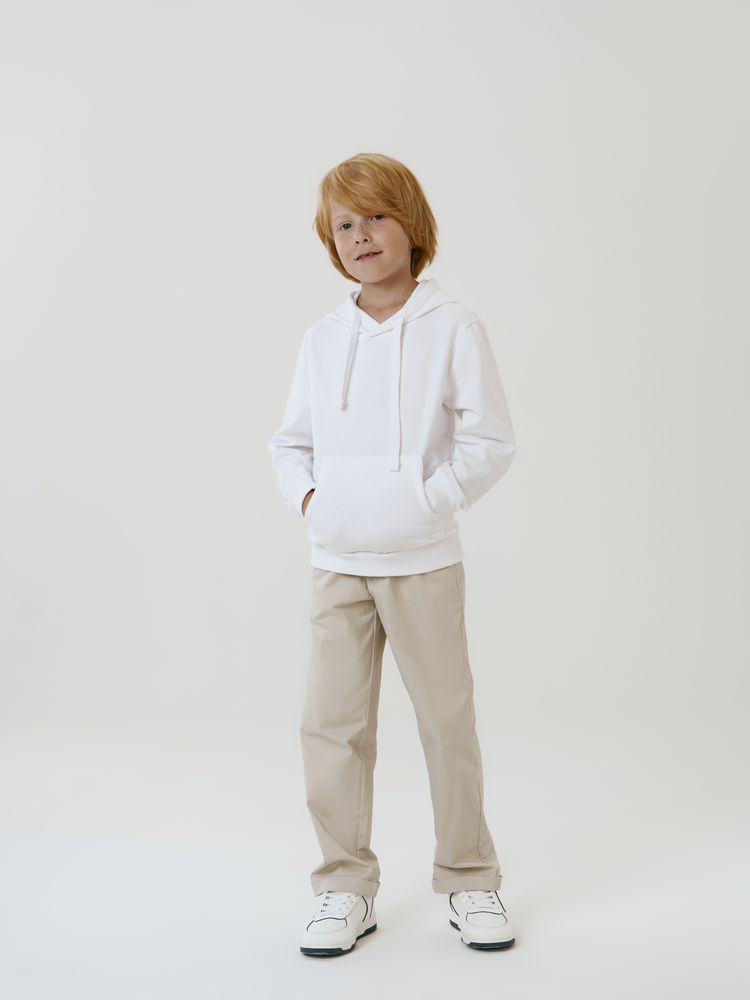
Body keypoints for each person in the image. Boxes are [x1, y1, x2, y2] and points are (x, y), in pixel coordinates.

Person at [267, 152, 518, 956]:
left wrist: (426, 500)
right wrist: (316, 502)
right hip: (338, 562)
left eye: (377, 216)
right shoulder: (322, 338)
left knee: (447, 724)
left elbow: (490, 440)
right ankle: (344, 886)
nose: (361, 234)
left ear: (412, 225)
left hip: (422, 562)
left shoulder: (453, 327)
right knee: (331, 728)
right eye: (344, 224)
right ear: (330, 242)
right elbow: (289, 444)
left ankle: (470, 878)